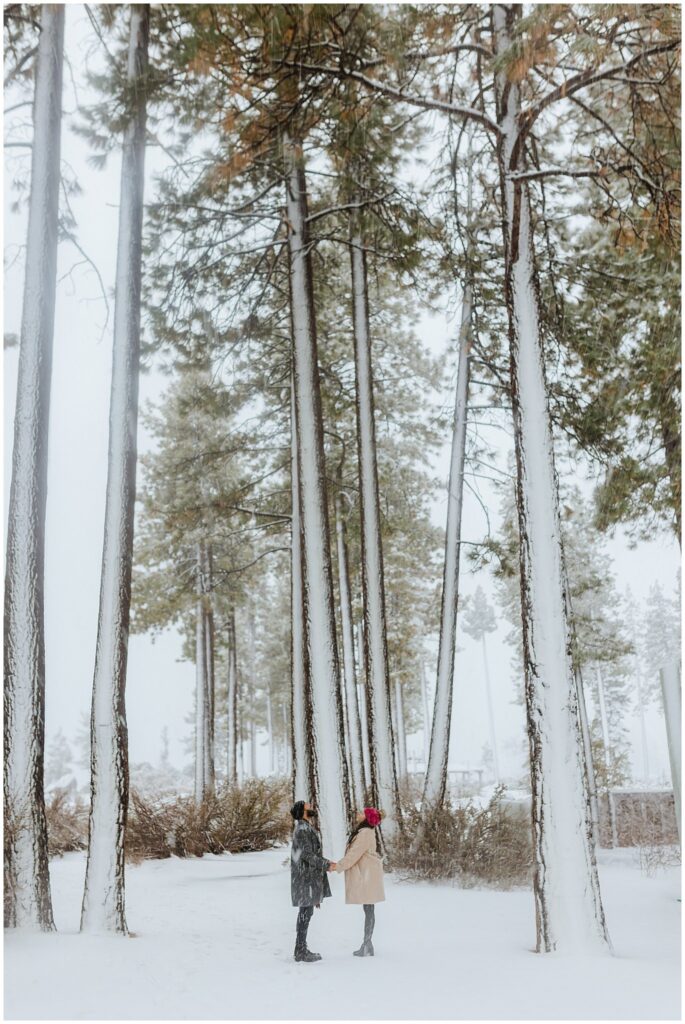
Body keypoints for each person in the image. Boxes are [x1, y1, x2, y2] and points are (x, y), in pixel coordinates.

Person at [334, 807, 385, 957]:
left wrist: (337, 866)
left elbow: (353, 854)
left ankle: (367, 943)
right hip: (367, 874)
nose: (357, 814)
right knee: (369, 909)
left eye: (361, 813)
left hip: (367, 875)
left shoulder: (365, 833)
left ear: (367, 818)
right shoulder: (364, 832)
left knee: (369, 909)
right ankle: (367, 943)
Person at [290, 800, 336, 963]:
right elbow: (307, 855)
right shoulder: (302, 829)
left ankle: (300, 948)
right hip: (305, 877)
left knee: (306, 912)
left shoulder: (304, 827)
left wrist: (326, 862)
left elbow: (310, 853)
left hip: (307, 877)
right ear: (302, 811)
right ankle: (301, 950)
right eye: (308, 807)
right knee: (305, 912)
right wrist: (325, 865)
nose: (311, 808)